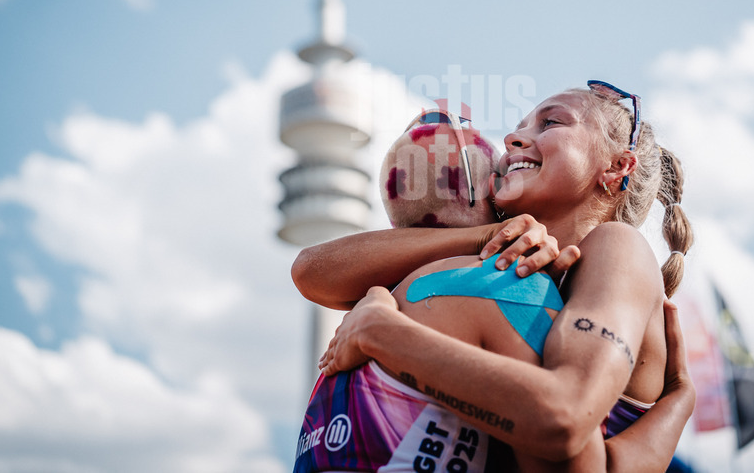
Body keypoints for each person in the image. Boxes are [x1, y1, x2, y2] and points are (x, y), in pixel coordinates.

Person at [294, 83, 695, 470]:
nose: (512, 138)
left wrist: (380, 331)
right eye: (519, 127)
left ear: (617, 166)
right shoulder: (506, 262)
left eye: (551, 123)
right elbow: (313, 272)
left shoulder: (617, 246)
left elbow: (563, 420)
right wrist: (482, 235)